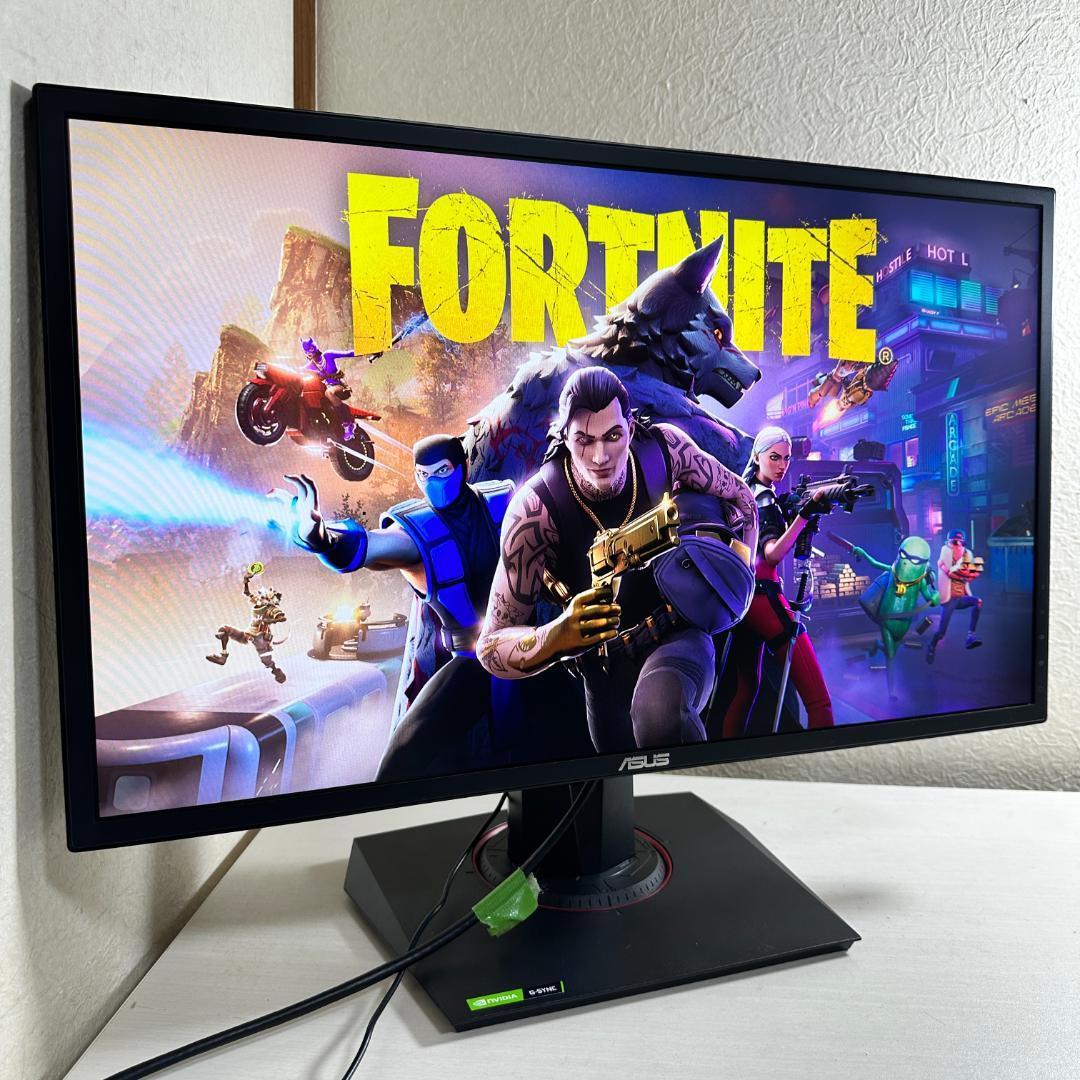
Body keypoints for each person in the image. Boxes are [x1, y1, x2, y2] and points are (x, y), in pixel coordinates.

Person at [475, 365, 758, 753]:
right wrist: (556, 637)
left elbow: (741, 497)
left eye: (613, 436)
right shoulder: (535, 511)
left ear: (630, 425)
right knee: (620, 772)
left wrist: (740, 577)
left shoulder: (663, 450)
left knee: (659, 716)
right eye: (584, 440)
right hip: (602, 672)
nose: (600, 456)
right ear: (564, 435)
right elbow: (490, 647)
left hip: (678, 635)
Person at [287, 434, 514, 780]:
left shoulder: (503, 501)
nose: (432, 482)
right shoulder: (418, 532)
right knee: (401, 762)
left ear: (463, 468)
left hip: (534, 643)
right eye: (423, 475)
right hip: (472, 659)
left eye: (442, 471)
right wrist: (320, 538)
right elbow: (369, 547)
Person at [719, 426, 835, 736]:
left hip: (743, 601)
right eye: (774, 457)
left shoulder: (745, 490)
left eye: (786, 458)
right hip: (763, 598)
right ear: (757, 457)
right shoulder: (763, 497)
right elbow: (771, 554)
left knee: (746, 692)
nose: (782, 465)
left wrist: (793, 510)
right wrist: (805, 514)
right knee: (819, 702)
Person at [927, 529, 983, 663]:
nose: (957, 546)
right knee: (941, 633)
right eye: (954, 542)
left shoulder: (966, 556)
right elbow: (950, 573)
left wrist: (971, 574)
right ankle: (931, 646)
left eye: (960, 543)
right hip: (949, 600)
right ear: (949, 543)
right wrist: (961, 574)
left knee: (978, 602)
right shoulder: (944, 557)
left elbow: (968, 577)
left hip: (961, 597)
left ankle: (970, 636)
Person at [301, 336, 357, 440]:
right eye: (307, 352)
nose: (309, 353)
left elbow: (349, 353)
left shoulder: (328, 355)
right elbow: (299, 370)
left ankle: (348, 424)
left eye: (310, 350)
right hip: (328, 391)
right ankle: (329, 429)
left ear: (315, 348)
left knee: (329, 393)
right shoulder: (311, 366)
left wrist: (368, 351)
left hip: (340, 387)